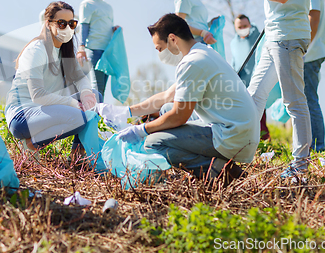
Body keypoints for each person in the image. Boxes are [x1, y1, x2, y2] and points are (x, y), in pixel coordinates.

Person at [107, 14, 259, 184]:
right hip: (241, 130)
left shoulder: (192, 63)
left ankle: (223, 172)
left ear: (172, 39)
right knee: (166, 109)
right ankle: (216, 164)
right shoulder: (203, 52)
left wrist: (141, 130)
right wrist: (126, 111)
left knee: (153, 143)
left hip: (234, 135)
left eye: (159, 48)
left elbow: (179, 117)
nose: (160, 54)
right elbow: (167, 97)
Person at [238, 0, 311, 178]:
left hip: (287, 36)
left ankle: (300, 168)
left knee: (294, 103)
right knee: (254, 95)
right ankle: (240, 151)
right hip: (276, 35)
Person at [5, 1, 101, 159]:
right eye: (62, 23)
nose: (68, 28)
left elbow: (80, 78)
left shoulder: (64, 51)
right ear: (48, 24)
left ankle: (77, 159)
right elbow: (38, 95)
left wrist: (85, 93)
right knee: (80, 116)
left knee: (95, 96)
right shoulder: (36, 50)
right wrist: (72, 103)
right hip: (22, 116)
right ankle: (31, 143)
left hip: (44, 110)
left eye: (72, 23)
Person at [76, 0, 120, 98]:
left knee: (102, 88)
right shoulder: (87, 4)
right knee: (96, 86)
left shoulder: (109, 7)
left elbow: (104, 27)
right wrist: (81, 47)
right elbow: (85, 26)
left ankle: (99, 115)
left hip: (107, 51)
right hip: (94, 50)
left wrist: (114, 29)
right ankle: (93, 115)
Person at [231, 14, 270, 140]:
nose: (243, 28)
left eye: (245, 26)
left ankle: (264, 140)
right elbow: (234, 62)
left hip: (258, 82)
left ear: (250, 25)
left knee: (260, 115)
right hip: (242, 86)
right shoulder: (234, 43)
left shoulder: (256, 36)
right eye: (240, 26)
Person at [305, 0, 325, 152]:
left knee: (310, 101)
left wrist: (302, 49)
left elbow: (314, 18)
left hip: (309, 55)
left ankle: (318, 148)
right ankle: (311, 147)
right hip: (309, 54)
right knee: (306, 102)